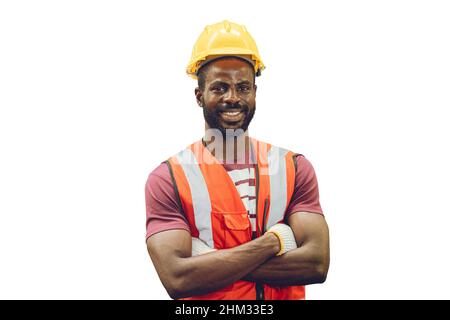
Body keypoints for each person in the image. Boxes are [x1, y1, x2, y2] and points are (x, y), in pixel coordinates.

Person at [145, 20, 330, 300]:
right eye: (219, 88)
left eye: (243, 87)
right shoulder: (168, 178)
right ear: (199, 96)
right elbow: (178, 279)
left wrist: (209, 260)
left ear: (255, 93)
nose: (233, 98)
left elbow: (316, 264)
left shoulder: (294, 168)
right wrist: (275, 241)